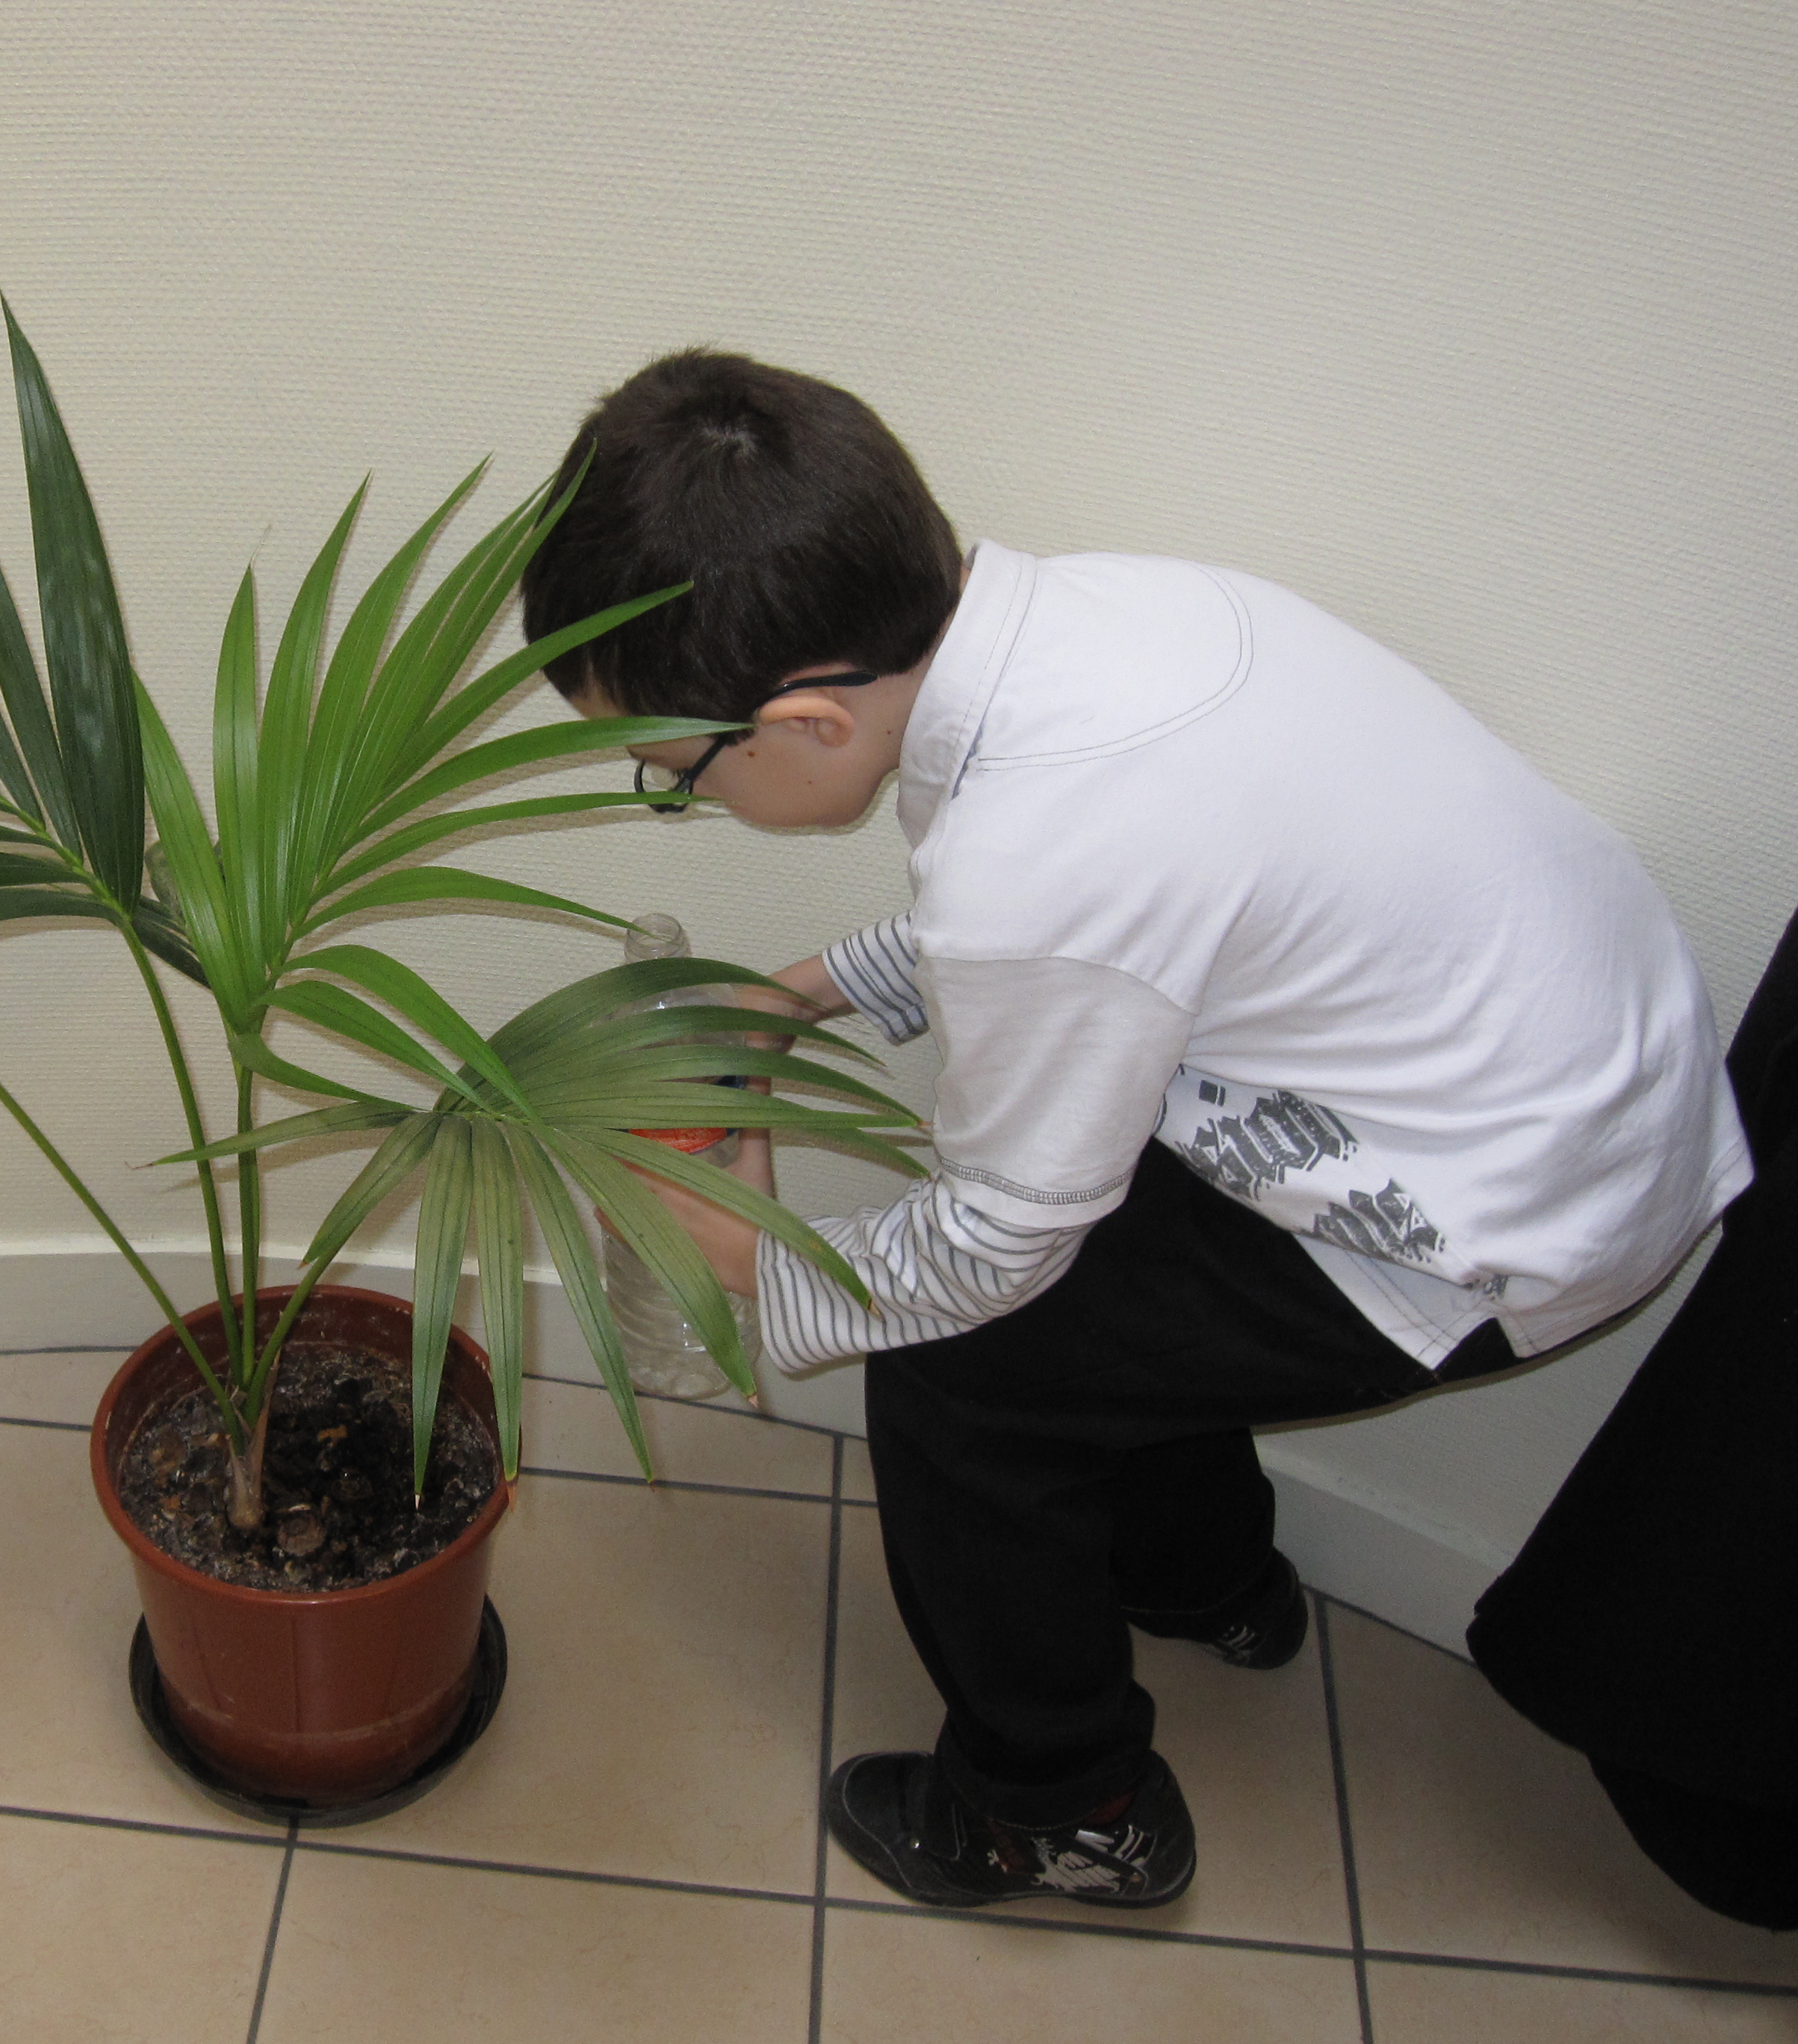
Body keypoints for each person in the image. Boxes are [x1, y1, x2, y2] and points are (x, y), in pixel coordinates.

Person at [519, 349, 1752, 1909]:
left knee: (962, 1379)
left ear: (812, 721)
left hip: (1501, 1212)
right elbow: (1094, 933)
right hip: (1546, 1079)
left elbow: (994, 1240)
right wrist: (795, 998)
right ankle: (1204, 1577)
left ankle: (1063, 1808)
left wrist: (744, 1257)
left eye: (672, 773)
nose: (674, 791)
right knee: (1120, 1285)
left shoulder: (1042, 856)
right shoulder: (1099, 622)